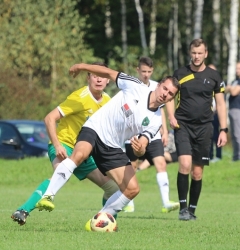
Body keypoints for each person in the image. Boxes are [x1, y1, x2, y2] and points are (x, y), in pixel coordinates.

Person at [36, 63, 180, 229]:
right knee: (80, 154)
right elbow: (108, 72)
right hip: (95, 128)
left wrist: (139, 149)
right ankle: (48, 196)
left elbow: (143, 144)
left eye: (170, 94)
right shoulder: (135, 85)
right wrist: (82, 66)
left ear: (171, 99)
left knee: (133, 189)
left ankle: (102, 218)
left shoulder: (155, 121)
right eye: (165, 89)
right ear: (159, 85)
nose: (165, 94)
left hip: (112, 146)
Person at [11, 62, 119, 225]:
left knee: (113, 189)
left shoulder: (108, 101)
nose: (99, 80)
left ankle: (106, 223)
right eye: (94, 75)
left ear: (108, 80)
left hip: (84, 152)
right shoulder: (79, 98)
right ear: (88, 77)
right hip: (65, 145)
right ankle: (23, 210)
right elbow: (49, 118)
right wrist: (57, 145)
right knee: (60, 176)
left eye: (103, 76)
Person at [166, 39, 228, 221]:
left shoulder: (215, 76)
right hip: (182, 125)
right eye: (194, 53)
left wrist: (223, 129)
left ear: (206, 54)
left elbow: (221, 104)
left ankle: (192, 210)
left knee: (198, 172)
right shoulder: (180, 73)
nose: (196, 56)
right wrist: (171, 116)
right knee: (184, 164)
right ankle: (182, 209)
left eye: (200, 53)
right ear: (190, 53)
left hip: (205, 127)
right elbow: (169, 97)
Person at [123, 57, 179, 213]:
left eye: (149, 71)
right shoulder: (132, 86)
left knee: (161, 163)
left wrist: (165, 130)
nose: (146, 75)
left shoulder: (158, 87)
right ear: (137, 70)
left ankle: (166, 202)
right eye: (143, 71)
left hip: (153, 133)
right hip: (133, 133)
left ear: (152, 71)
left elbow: (162, 107)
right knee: (132, 166)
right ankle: (129, 203)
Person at [225, 62, 240, 161]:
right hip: (232, 108)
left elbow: (234, 92)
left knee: (238, 133)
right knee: (233, 134)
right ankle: (236, 156)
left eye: (239, 68)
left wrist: (231, 88)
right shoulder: (236, 80)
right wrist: (231, 88)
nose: (237, 70)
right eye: (236, 68)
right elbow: (227, 90)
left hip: (238, 109)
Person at [208, 64, 222, 162]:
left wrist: (216, 109)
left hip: (215, 113)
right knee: (207, 135)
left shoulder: (219, 82)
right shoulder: (204, 82)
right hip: (206, 114)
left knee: (216, 134)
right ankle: (209, 155)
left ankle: (218, 155)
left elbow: (221, 100)